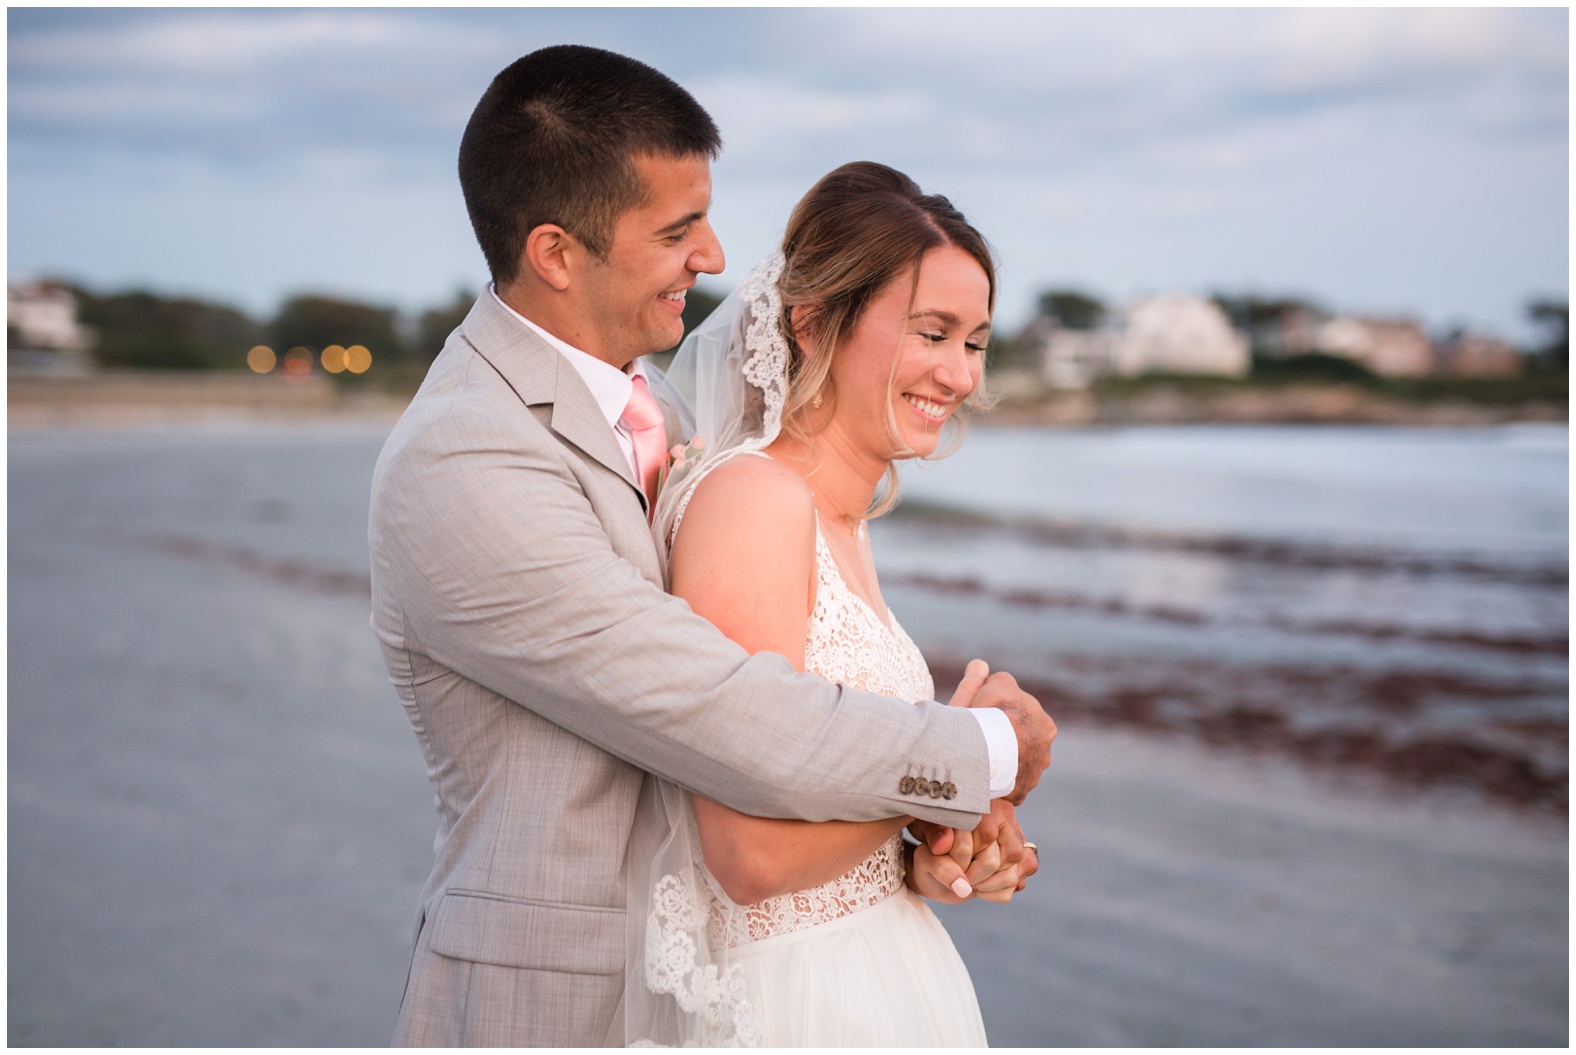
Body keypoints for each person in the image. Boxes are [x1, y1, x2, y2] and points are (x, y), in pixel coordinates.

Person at [369, 45, 1056, 1047]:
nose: (715, 256)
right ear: (558, 252)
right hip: (559, 1006)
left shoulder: (669, 411)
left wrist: (911, 843)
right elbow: (717, 711)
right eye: (678, 228)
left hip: (715, 979)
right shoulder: (466, 459)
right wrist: (983, 750)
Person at [627, 161, 1016, 1046]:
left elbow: (837, 812)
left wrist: (932, 859)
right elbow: (751, 856)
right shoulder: (754, 502)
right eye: (933, 332)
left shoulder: (844, 521)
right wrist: (969, 766)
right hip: (798, 1005)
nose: (958, 374)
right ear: (813, 324)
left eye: (976, 341)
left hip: (884, 977)